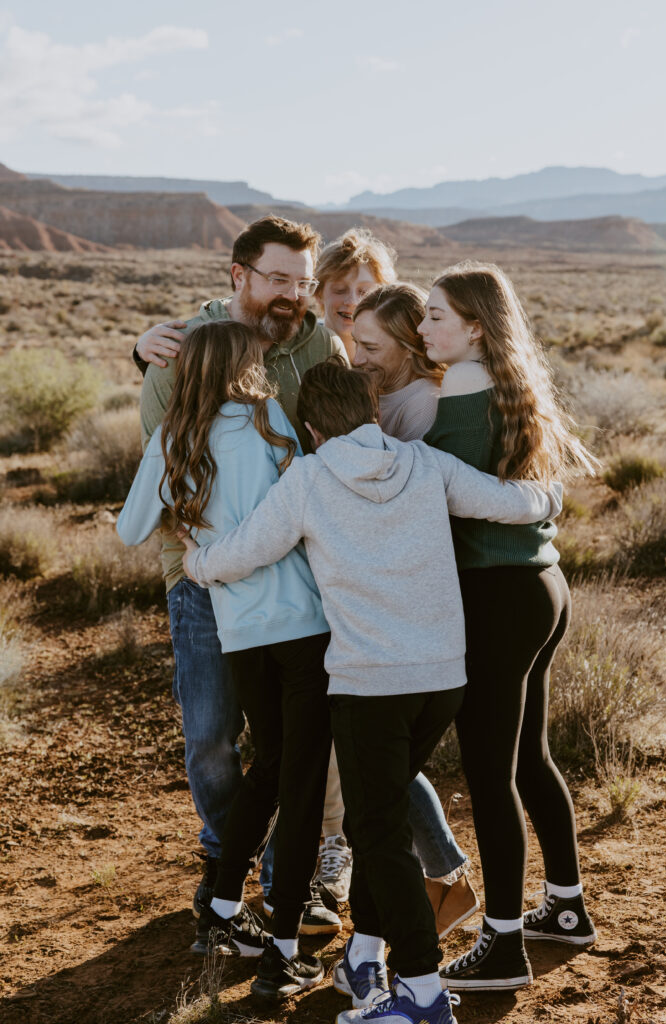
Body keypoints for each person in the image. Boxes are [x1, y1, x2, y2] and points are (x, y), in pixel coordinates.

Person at [179, 357, 562, 1024]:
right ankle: (365, 956)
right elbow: (507, 502)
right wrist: (552, 498)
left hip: (367, 685)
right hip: (441, 678)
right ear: (374, 412)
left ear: (309, 428)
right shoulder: (422, 464)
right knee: (374, 821)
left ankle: (418, 991)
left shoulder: (308, 478)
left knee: (377, 833)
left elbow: (244, 552)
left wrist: (195, 560)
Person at [134, 215, 346, 948]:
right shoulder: (176, 352)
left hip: (296, 580)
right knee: (214, 739)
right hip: (202, 580)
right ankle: (228, 866)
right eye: (278, 278)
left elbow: (336, 443)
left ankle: (294, 873)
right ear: (238, 276)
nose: (293, 294)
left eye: (301, 280)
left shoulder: (317, 343)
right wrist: (202, 558)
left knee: (298, 738)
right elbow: (163, 476)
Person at [418, 261, 598, 993]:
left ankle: (500, 947)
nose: (422, 327)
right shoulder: (512, 386)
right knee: (530, 759)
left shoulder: (456, 390)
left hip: (494, 597)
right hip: (540, 586)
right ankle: (563, 909)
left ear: (472, 328)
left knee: (490, 775)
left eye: (433, 316)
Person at [351, 282, 480, 936]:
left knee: (378, 760)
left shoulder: (421, 408)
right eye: (353, 341)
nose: (357, 355)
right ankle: (437, 878)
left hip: (407, 607)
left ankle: (435, 886)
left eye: (370, 346)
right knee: (380, 760)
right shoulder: (379, 398)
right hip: (383, 603)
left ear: (407, 346)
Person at [314, 227, 397, 360]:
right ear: (318, 294)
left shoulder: (396, 361)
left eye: (364, 292)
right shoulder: (299, 359)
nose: (352, 301)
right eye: (340, 290)